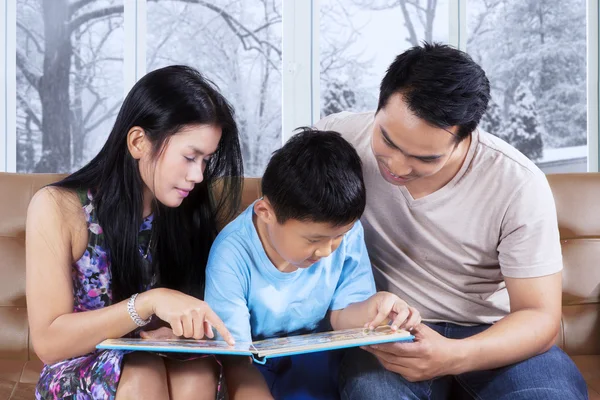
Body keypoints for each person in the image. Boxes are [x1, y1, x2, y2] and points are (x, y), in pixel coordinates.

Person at [315, 43, 588, 399]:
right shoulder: (336, 139)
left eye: (423, 157)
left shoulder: (517, 183)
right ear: (379, 105)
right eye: (387, 139)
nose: (396, 167)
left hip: (493, 332)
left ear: (465, 137)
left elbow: (539, 317)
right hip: (390, 330)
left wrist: (453, 356)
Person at [26, 65, 243, 400]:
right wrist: (146, 304)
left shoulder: (188, 209)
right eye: (189, 157)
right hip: (79, 367)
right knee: (143, 369)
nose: (198, 175)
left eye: (205, 161)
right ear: (139, 141)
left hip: (159, 356)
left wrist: (178, 335)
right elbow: (49, 343)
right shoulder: (58, 207)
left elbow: (208, 314)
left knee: (196, 369)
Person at [204, 128, 421, 400]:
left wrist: (377, 308)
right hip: (254, 367)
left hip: (321, 358)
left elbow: (343, 316)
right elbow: (235, 358)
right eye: (314, 239)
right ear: (266, 213)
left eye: (338, 237)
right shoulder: (231, 253)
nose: (327, 251)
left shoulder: (346, 231)